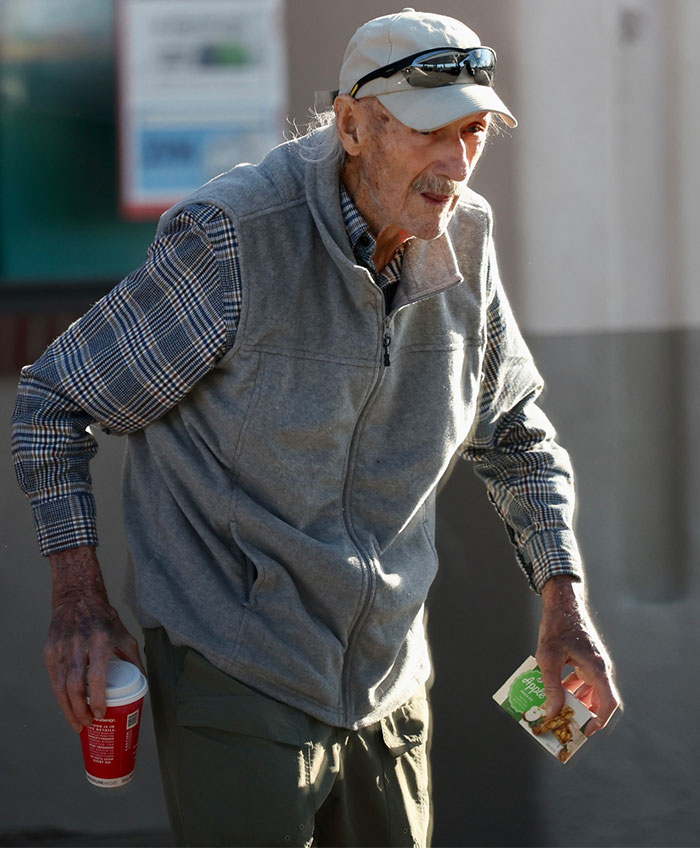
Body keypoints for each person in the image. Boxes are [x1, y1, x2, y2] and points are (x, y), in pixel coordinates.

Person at [12, 8, 620, 847]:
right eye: (430, 130)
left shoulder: (466, 239)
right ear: (351, 125)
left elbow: (512, 427)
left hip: (388, 681)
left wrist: (565, 601)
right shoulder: (234, 241)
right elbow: (54, 403)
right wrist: (79, 600)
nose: (456, 161)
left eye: (474, 130)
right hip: (236, 666)